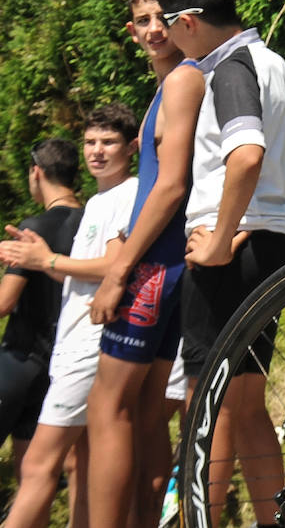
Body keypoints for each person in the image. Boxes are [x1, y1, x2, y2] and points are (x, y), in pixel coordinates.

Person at [158, 0, 285, 528]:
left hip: (233, 249)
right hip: (273, 242)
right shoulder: (275, 65)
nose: (166, 38)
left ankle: (202, 520)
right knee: (245, 408)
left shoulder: (229, 69)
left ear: (189, 22)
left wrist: (219, 241)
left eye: (168, 25)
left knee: (207, 408)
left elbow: (246, 155)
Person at [85, 0, 204, 528]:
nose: (155, 29)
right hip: (169, 264)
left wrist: (119, 271)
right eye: (143, 21)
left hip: (154, 263)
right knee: (148, 412)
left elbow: (170, 186)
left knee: (106, 410)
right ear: (131, 31)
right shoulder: (169, 86)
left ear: (184, 19)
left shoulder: (183, 81)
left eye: (164, 17)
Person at [0, 104, 140, 528]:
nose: (97, 151)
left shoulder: (128, 194)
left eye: (108, 142)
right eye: (90, 142)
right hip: (65, 350)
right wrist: (38, 258)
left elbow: (115, 266)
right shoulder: (94, 205)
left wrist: (45, 259)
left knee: (38, 465)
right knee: (77, 464)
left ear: (131, 147)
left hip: (87, 347)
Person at [0, 139, 83, 466]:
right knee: (34, 471)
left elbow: (6, 301)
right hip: (58, 366)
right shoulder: (93, 222)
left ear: (36, 172)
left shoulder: (33, 229)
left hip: (19, 359)